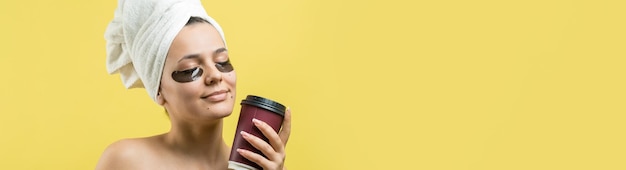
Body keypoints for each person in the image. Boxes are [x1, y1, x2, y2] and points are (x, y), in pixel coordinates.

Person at [96, 0, 291, 169]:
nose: (214, 75)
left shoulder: (260, 167)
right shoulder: (127, 161)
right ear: (158, 90)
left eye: (222, 62)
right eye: (190, 70)